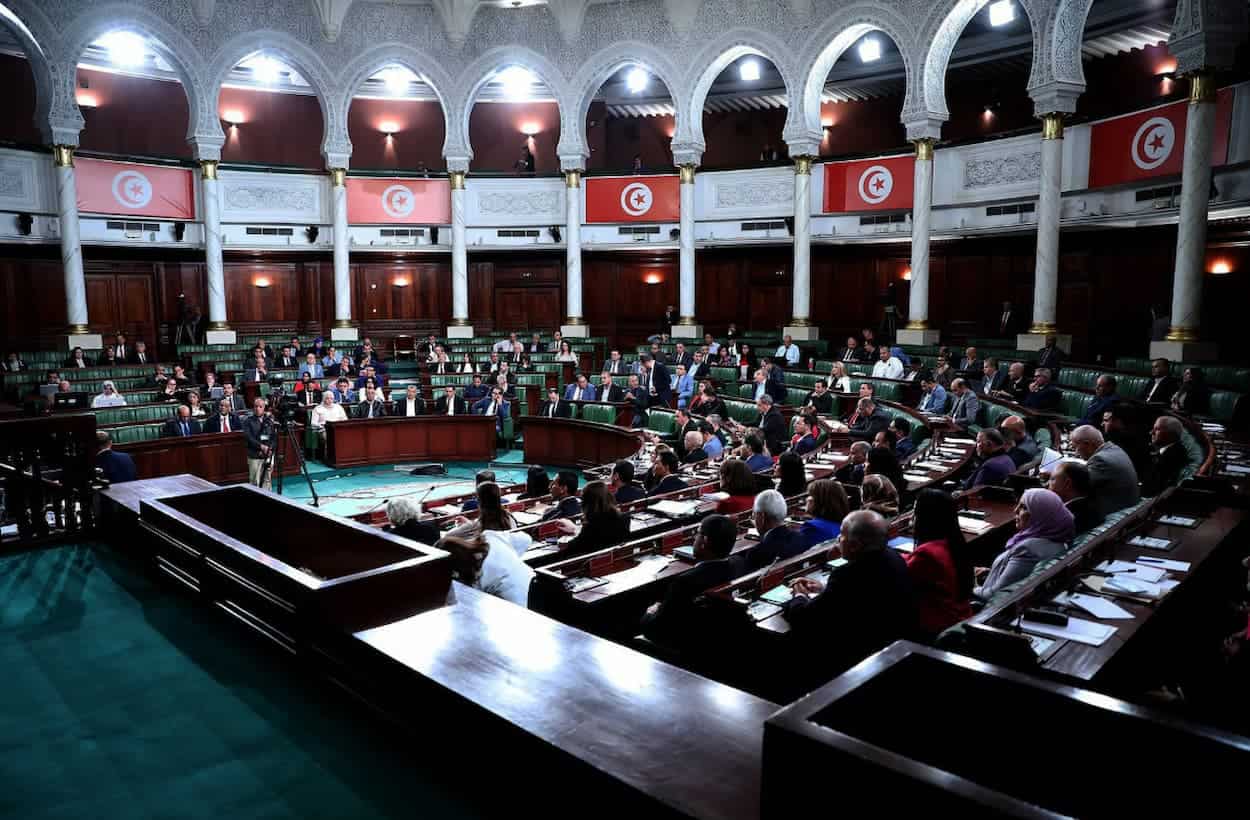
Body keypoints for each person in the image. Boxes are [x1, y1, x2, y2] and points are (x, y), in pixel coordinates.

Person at [783, 511, 916, 680]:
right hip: (893, 649)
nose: (839, 538)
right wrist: (825, 589)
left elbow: (804, 618)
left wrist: (799, 596)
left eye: (842, 534)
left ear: (854, 545)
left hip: (859, 664)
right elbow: (860, 596)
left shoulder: (847, 575)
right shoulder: (893, 557)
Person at [642, 514, 742, 647]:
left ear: (704, 541)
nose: (694, 538)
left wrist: (650, 613)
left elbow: (657, 629)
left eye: (697, 533)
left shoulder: (685, 582)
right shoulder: (738, 566)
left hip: (684, 646)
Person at [973, 489, 1074, 600]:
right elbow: (1020, 575)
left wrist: (971, 585)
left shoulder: (1027, 550)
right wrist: (991, 572)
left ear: (1041, 515)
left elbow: (993, 596)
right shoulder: (1058, 540)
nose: (1015, 510)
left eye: (1024, 508)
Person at [906, 489, 974, 637]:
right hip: (959, 621)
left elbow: (902, 577)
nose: (912, 516)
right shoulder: (953, 544)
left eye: (915, 511)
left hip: (937, 630)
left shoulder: (926, 555)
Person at [1069, 425, 1140, 518]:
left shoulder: (1100, 460)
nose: (1075, 453)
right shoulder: (1114, 448)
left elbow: (1075, 488)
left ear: (1087, 444)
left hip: (1115, 515)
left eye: (1075, 448)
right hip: (1128, 507)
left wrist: (1057, 477)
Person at [553, 480, 629, 557]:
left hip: (594, 563)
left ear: (587, 503)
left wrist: (562, 543)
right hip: (616, 559)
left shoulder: (591, 527)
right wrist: (575, 528)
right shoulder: (624, 518)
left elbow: (572, 547)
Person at [743, 489, 806, 571]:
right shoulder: (800, 537)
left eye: (754, 515)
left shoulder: (757, 553)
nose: (754, 519)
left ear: (762, 517)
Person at [1047, 460, 1103, 534]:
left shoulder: (1063, 521)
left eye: (1052, 479)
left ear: (1067, 483)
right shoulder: (1093, 507)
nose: (1047, 484)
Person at [1143, 415, 1191, 496]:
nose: (1151, 432)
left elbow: (1154, 489)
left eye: (1157, 429)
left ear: (1171, 434)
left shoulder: (1174, 457)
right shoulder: (1169, 451)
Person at [800, 478, 849, 547]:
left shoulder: (813, 527)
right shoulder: (846, 526)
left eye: (809, 495)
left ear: (819, 500)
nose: (806, 499)